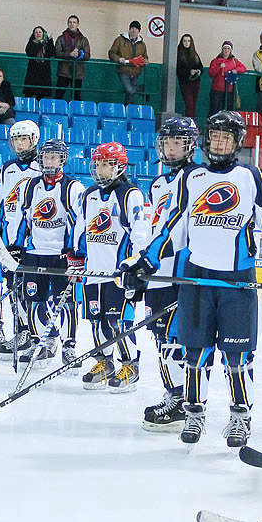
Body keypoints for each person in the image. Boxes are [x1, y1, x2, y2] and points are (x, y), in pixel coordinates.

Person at [120, 111, 262, 448]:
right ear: (206, 139)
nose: (219, 142)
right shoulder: (194, 178)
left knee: (238, 358)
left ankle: (240, 418)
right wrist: (147, 259)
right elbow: (174, 226)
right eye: (215, 136)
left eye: (226, 137)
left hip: (237, 282)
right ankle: (194, 415)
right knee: (196, 354)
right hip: (198, 279)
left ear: (237, 142)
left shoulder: (252, 177)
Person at [70, 142, 149, 392]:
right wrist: (76, 255)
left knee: (119, 322)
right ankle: (104, 363)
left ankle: (130, 366)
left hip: (118, 274)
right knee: (96, 322)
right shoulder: (90, 194)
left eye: (106, 164)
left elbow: (140, 232)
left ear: (119, 166)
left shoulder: (130, 194)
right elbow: (81, 228)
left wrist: (136, 266)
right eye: (98, 164)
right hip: (93, 272)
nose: (101, 169)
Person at [138, 117, 200, 431]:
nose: (171, 148)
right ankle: (173, 394)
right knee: (160, 338)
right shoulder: (158, 183)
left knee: (178, 341)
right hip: (157, 273)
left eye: (178, 142)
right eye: (167, 142)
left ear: (190, 145)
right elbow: (155, 228)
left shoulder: (197, 178)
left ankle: (186, 402)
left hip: (180, 273)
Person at [13, 139, 85, 365]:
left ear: (62, 159)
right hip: (34, 252)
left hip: (61, 255)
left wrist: (76, 252)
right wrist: (16, 246)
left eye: (54, 157)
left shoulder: (73, 187)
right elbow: (23, 218)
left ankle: (69, 345)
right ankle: (43, 341)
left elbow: (78, 223)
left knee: (66, 301)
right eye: (46, 156)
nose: (49, 161)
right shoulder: (30, 186)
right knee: (35, 300)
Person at [0, 120, 42, 354]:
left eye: (24, 139)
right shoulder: (8, 168)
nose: (20, 144)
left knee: (32, 289)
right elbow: (0, 202)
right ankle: (22, 331)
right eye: (16, 140)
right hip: (9, 241)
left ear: (34, 139)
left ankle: (37, 335)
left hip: (31, 242)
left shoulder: (43, 166)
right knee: (13, 288)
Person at [109, 20, 149, 106]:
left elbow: (145, 56)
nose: (134, 30)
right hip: (123, 70)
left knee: (130, 95)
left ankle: (127, 112)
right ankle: (141, 90)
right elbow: (111, 53)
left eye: (136, 29)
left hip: (136, 72)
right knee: (129, 90)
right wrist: (119, 59)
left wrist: (146, 60)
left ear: (139, 31)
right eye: (132, 28)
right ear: (129, 29)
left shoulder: (142, 44)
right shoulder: (119, 40)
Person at [54, 15, 90, 101]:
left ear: (78, 24)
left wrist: (79, 54)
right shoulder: (61, 38)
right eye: (70, 22)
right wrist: (69, 54)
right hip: (64, 71)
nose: (72, 24)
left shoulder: (83, 40)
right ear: (67, 24)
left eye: (74, 22)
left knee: (77, 96)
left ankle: (76, 114)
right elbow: (57, 52)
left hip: (78, 72)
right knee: (59, 95)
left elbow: (87, 55)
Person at [207, 41, 246, 114]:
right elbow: (210, 73)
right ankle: (211, 125)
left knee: (228, 112)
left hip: (229, 90)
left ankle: (226, 125)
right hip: (216, 90)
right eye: (224, 48)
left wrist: (236, 70)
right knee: (213, 110)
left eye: (228, 48)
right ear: (222, 49)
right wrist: (219, 67)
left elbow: (244, 68)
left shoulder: (234, 61)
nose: (226, 50)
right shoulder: (215, 61)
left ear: (231, 50)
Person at [24, 26, 55, 100]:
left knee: (41, 95)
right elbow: (31, 52)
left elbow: (52, 53)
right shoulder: (31, 43)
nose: (38, 34)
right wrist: (40, 44)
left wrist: (50, 41)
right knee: (29, 93)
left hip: (44, 73)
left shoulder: (47, 43)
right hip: (33, 72)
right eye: (36, 32)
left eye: (40, 32)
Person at [176, 34, 203, 119]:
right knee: (189, 104)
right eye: (184, 41)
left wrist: (199, 71)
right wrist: (189, 72)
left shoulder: (194, 54)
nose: (187, 43)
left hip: (196, 82)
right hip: (185, 83)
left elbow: (201, 66)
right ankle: (189, 123)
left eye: (188, 41)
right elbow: (178, 70)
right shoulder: (178, 54)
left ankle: (192, 122)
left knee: (193, 105)